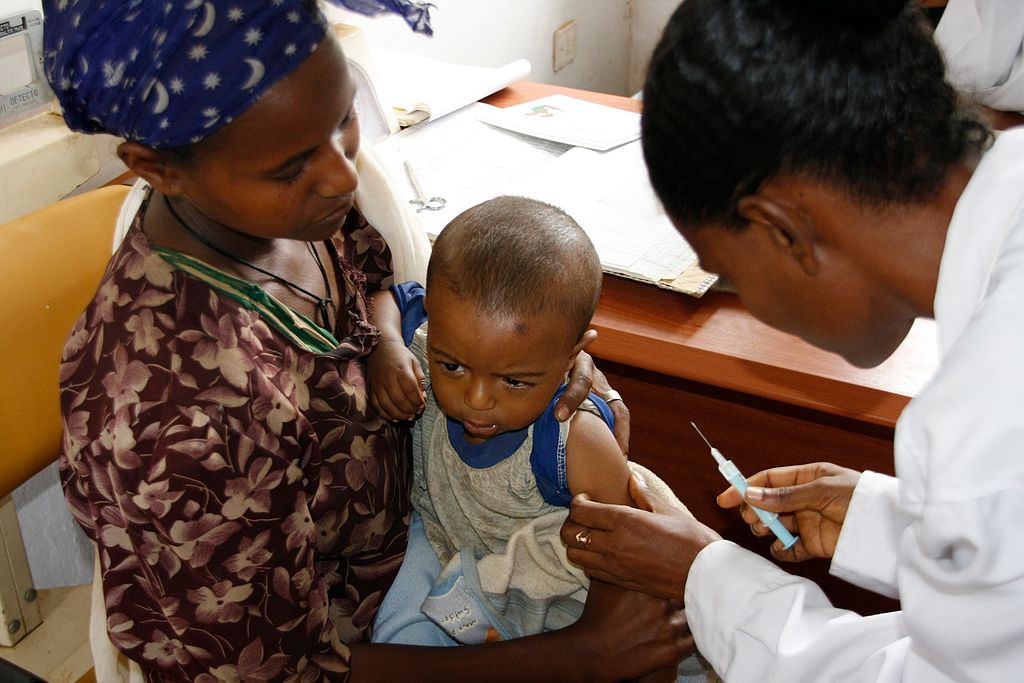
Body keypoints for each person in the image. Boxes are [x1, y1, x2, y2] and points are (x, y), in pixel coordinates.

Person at [46, 1, 691, 680]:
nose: (345, 175)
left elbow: (391, 288)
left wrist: (546, 367)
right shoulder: (173, 414)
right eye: (290, 164)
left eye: (344, 117)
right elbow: (284, 673)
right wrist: (577, 656)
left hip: (437, 531)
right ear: (158, 168)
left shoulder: (292, 206)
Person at [560, 0, 1024, 681]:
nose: (750, 305)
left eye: (730, 274)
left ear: (781, 229)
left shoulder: (981, 424)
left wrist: (706, 575)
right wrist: (884, 521)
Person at [365, 196, 702, 681]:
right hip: (444, 535)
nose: (476, 399)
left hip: (561, 567)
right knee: (399, 637)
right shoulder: (435, 334)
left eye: (515, 382)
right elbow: (391, 300)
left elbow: (626, 553)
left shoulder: (573, 442)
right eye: (451, 366)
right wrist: (389, 347)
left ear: (574, 356)